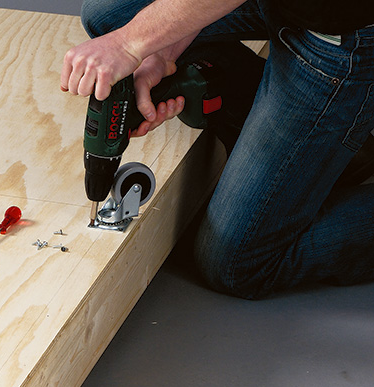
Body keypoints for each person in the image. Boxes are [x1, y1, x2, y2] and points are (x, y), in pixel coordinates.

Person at [61, 0, 374, 299]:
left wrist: (130, 44)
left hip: (341, 32)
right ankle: (319, 145)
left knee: (235, 260)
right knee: (110, 16)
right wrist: (166, 48)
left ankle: (326, 131)